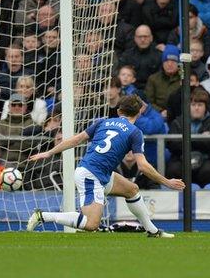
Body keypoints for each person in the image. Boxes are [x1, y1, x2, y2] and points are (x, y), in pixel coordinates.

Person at [26, 95, 185, 237]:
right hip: (91, 174)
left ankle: (153, 231)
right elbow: (142, 166)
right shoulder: (135, 132)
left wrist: (48, 153)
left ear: (119, 111)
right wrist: (166, 182)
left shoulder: (103, 122)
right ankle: (43, 216)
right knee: (91, 224)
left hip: (98, 172)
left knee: (132, 190)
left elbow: (75, 140)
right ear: (139, 113)